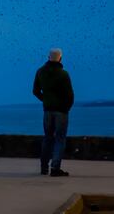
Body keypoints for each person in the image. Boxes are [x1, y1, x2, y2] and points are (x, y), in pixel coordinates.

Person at [33, 48, 75, 176]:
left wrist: (45, 100)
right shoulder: (63, 74)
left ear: (48, 57)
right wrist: (66, 108)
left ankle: (44, 168)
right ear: (60, 58)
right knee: (60, 139)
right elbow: (70, 95)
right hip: (61, 111)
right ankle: (55, 168)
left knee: (47, 138)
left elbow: (35, 91)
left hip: (47, 110)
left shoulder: (40, 72)